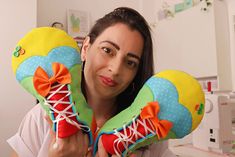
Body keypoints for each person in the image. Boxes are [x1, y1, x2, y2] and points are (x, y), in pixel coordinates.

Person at [8, 7, 176, 157]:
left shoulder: (152, 129)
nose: (116, 69)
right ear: (86, 48)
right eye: (107, 50)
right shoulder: (40, 118)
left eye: (130, 62)